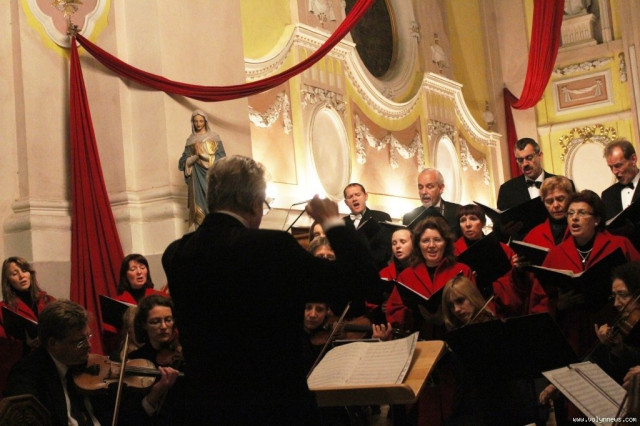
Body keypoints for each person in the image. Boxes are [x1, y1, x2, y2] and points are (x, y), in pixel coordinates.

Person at [162, 155, 379, 425]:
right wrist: (332, 222)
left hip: (207, 408)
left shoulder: (176, 254)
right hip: (273, 406)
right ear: (254, 202)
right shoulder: (272, 247)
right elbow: (362, 281)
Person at [541, 190, 640, 357]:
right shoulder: (555, 254)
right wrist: (559, 305)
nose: (574, 218)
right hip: (573, 334)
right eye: (570, 213)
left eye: (582, 213)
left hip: (616, 329)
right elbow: (542, 298)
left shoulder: (619, 245)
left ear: (597, 220)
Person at [442, 276, 540, 425]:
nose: (456, 310)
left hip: (499, 406)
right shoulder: (459, 334)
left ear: (472, 297)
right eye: (451, 305)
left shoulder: (492, 329)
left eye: (460, 301)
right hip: (473, 406)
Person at [4, 300, 114, 425]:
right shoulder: (26, 374)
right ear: (53, 343)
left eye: (88, 337)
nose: (88, 346)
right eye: (80, 342)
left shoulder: (88, 365)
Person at [453, 204, 548, 317]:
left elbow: (515, 285)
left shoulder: (503, 249)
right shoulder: (453, 253)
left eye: (473, 219)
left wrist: (515, 272)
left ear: (483, 222)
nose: (468, 224)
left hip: (503, 307)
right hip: (471, 311)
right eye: (463, 220)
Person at [386, 216, 473, 337]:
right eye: (425, 241)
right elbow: (393, 311)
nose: (431, 245)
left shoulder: (462, 270)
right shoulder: (406, 276)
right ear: (418, 245)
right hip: (418, 338)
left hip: (458, 336)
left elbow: (474, 307)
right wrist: (412, 312)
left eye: (437, 240)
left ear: (446, 243)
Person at [0, 257, 55, 395]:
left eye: (24, 270)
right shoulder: (3, 309)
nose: (21, 276)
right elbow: (4, 347)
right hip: (26, 370)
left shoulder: (48, 301)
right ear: (7, 280)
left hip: (53, 363)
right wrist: (25, 343)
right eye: (14, 273)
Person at [127, 294, 184, 425]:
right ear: (144, 325)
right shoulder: (135, 359)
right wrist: (155, 393)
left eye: (168, 320)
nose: (163, 326)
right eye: (155, 321)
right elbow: (133, 417)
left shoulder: (181, 354)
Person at [178, 109, 227, 229]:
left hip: (212, 177)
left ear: (205, 122)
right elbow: (182, 161)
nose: (198, 124)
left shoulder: (214, 137)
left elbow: (222, 158)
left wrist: (204, 156)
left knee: (213, 204)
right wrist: (194, 158)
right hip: (196, 179)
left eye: (201, 121)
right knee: (198, 209)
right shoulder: (190, 140)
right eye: (195, 121)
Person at [342, 183, 392, 270]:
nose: (354, 199)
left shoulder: (382, 217)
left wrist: (362, 262)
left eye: (358, 195)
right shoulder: (341, 223)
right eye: (350, 197)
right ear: (346, 202)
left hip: (376, 272)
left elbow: (386, 250)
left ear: (365, 196)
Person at [601, 139, 640, 249]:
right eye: (611, 167)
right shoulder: (607, 195)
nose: (614, 171)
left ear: (633, 159)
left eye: (618, 165)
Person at [402, 168, 462, 238]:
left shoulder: (458, 212)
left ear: (441, 188)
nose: (423, 192)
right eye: (420, 187)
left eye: (429, 187)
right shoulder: (409, 218)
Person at [523, 176, 573, 248]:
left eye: (560, 199)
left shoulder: (582, 230)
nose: (555, 205)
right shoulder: (533, 235)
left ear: (570, 198)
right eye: (549, 201)